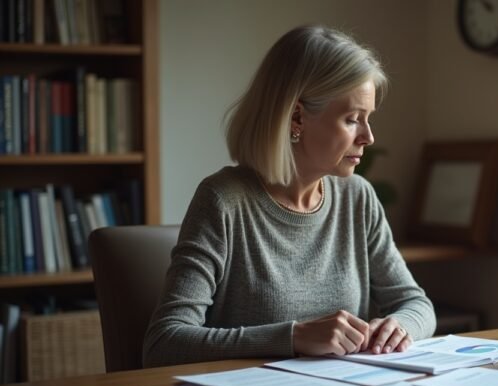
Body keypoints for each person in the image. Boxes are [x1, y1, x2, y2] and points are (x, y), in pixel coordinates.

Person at [143, 25, 436, 367]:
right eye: (353, 119)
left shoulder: (358, 198)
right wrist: (293, 338)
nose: (368, 137)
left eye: (368, 119)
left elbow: (418, 305)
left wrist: (399, 327)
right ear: (296, 116)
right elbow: (163, 342)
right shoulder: (223, 201)